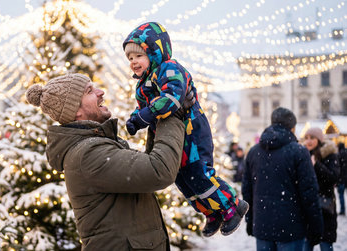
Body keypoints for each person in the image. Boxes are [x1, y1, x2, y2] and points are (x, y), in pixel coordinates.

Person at [25, 73, 195, 250]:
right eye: (89, 91)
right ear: (75, 111)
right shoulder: (88, 154)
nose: (100, 92)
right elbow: (158, 170)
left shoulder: (96, 144)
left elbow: (148, 166)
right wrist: (173, 115)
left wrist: (159, 116)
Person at [122, 21, 248, 237]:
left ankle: (232, 205)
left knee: (198, 173)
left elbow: (172, 98)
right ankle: (211, 212)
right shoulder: (142, 84)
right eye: (130, 58)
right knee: (181, 179)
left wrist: (146, 115)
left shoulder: (169, 68)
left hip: (192, 130)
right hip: (172, 136)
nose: (134, 62)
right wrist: (135, 119)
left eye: (139, 56)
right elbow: (142, 108)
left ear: (155, 52)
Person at [242, 107, 323, 251]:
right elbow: (309, 193)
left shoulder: (254, 152)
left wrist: (250, 220)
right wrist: (316, 227)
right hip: (291, 228)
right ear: (292, 128)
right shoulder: (299, 152)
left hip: (262, 226)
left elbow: (247, 191)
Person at [303, 127, 340, 251]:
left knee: (325, 245)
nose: (309, 141)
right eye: (306, 138)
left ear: (319, 139)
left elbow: (333, 178)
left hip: (325, 209)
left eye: (312, 138)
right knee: (306, 245)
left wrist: (317, 165)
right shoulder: (303, 155)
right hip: (307, 211)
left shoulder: (330, 155)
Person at [337, 142, 347, 215]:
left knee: (341, 195)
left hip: (341, 178)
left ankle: (342, 210)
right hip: (345, 177)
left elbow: (338, 168)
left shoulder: (339, 155)